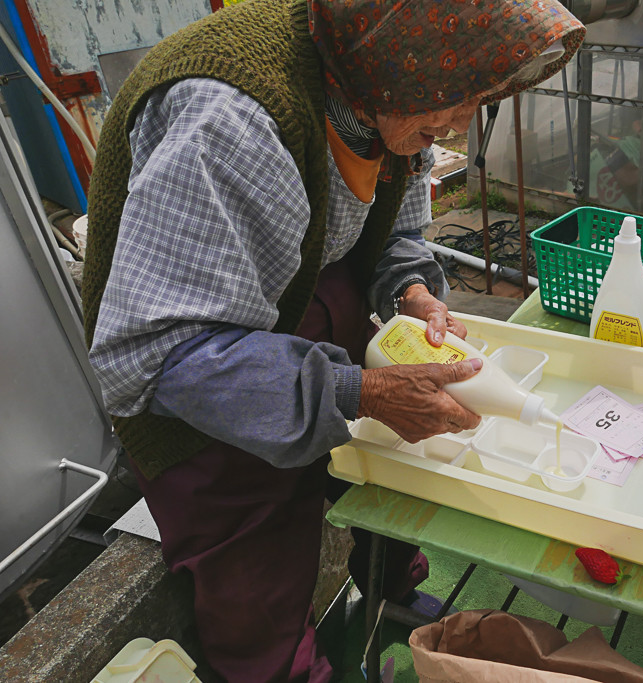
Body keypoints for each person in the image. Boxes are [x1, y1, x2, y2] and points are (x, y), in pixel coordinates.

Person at [80, 0, 585, 680]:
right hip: (200, 374)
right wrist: (356, 390)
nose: (456, 123)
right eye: (453, 99)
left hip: (298, 299)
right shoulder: (235, 120)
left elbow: (398, 231)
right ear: (394, 51)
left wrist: (412, 291)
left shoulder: (391, 84)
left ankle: (391, 584)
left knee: (390, 459)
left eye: (477, 100)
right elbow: (156, 354)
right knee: (256, 568)